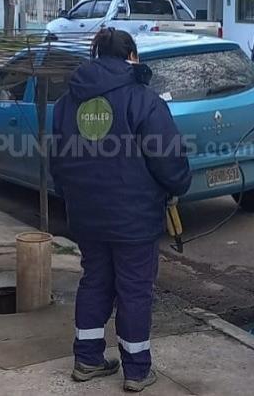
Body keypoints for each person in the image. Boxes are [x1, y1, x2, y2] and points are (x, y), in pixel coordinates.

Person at [50, 28, 192, 392]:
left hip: (86, 215)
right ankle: (137, 370)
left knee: (95, 280)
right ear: (131, 56)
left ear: (96, 55)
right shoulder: (143, 99)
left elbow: (58, 162)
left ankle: (88, 359)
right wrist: (177, 185)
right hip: (134, 216)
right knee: (134, 289)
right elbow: (167, 156)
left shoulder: (68, 102)